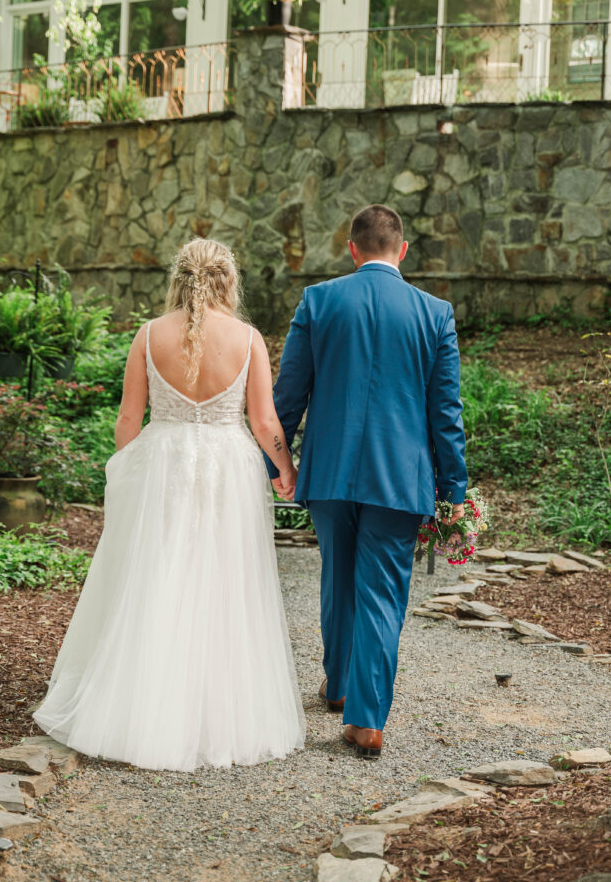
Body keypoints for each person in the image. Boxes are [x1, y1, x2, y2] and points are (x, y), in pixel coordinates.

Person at [33, 239, 305, 771]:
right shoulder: (248, 339)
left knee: (157, 575)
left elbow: (129, 420)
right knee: (226, 581)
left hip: (163, 464)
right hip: (229, 466)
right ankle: (216, 714)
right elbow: (265, 422)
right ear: (229, 281)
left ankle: (143, 707)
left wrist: (126, 472)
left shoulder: (148, 334)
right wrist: (285, 470)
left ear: (178, 279)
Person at [265, 204, 467, 760]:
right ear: (402, 251)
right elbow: (445, 411)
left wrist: (277, 465)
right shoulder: (435, 313)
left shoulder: (320, 300)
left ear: (352, 250)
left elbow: (289, 395)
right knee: (381, 590)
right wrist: (454, 489)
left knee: (339, 576)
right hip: (401, 476)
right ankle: (367, 719)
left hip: (330, 472)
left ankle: (341, 687)